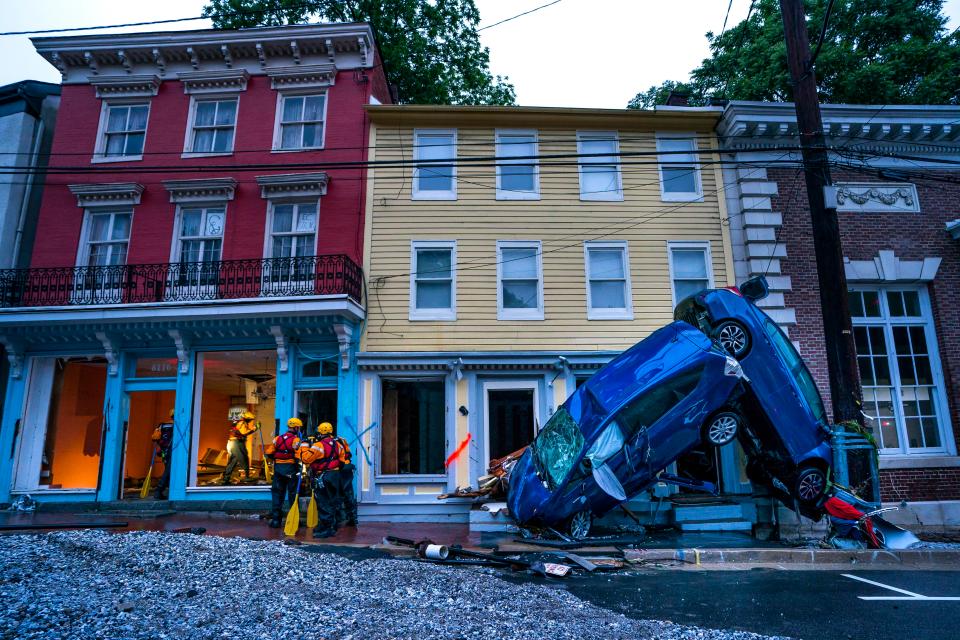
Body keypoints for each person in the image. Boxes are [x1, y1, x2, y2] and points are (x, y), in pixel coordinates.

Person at [297, 422, 341, 538]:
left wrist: (305, 444)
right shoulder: (338, 444)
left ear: (320, 432)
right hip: (335, 475)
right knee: (332, 500)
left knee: (323, 502)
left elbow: (306, 459)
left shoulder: (319, 445)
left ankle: (327, 528)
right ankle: (331, 525)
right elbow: (342, 459)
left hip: (324, 476)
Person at [265, 417, 303, 528]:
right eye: (299, 427)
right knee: (293, 495)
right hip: (291, 470)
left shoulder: (277, 439)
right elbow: (298, 456)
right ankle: (294, 520)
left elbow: (269, 453)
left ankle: (276, 521)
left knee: (277, 495)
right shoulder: (296, 440)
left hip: (278, 471)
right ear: (296, 427)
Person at [222, 410, 258, 485]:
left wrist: (253, 429)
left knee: (233, 461)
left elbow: (243, 432)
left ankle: (226, 479)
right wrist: (255, 428)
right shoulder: (242, 423)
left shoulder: (238, 422)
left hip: (232, 443)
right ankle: (246, 477)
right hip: (237, 443)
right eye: (250, 420)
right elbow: (244, 433)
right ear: (247, 418)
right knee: (244, 458)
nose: (251, 421)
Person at [333, 429, 358, 527]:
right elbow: (348, 453)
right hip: (347, 468)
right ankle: (352, 518)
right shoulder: (342, 440)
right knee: (348, 494)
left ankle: (337, 519)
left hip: (338, 469)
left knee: (336, 494)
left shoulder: (328, 442)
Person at [151, 409, 175, 500]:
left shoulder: (162, 425)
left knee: (169, 471)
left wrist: (158, 448)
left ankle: (168, 492)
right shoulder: (177, 425)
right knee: (168, 471)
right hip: (172, 451)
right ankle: (158, 491)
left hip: (164, 451)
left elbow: (155, 438)